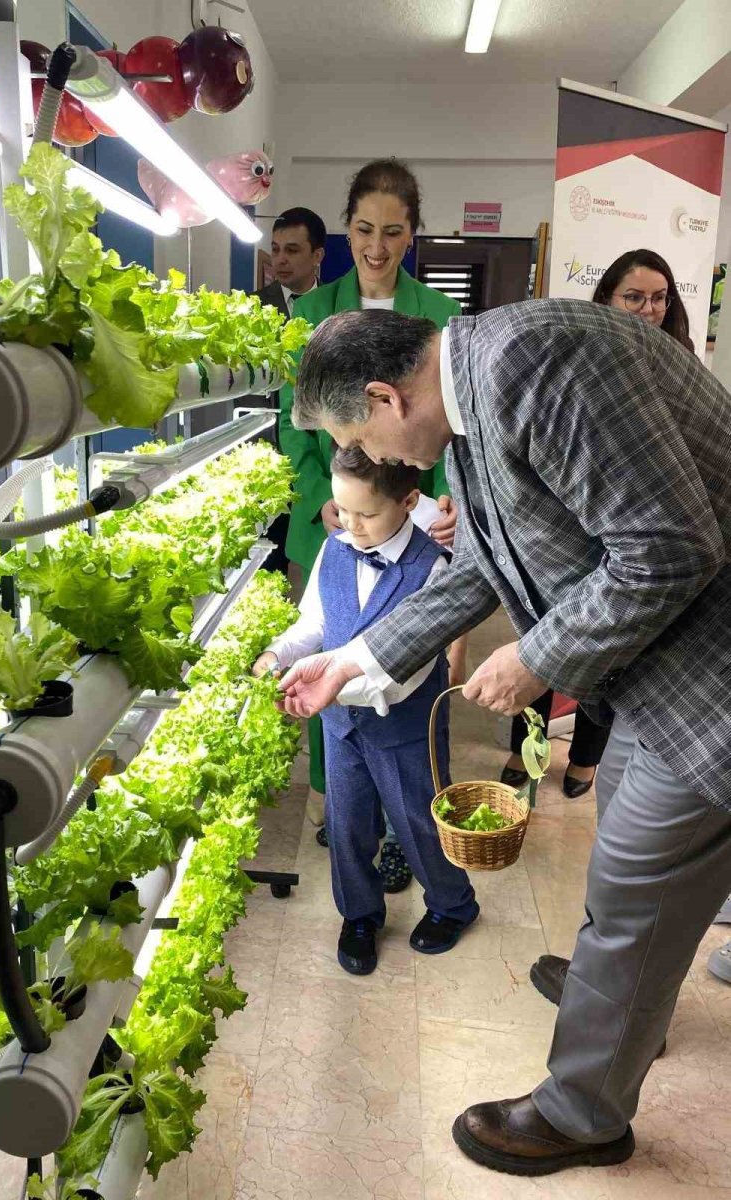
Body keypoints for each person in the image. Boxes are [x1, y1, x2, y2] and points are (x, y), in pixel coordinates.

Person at [276, 301, 731, 1177]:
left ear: (382, 396)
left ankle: (584, 1112)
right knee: (630, 887)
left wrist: (538, 656)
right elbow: (486, 567)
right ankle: (624, 997)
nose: (372, 462)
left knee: (639, 882)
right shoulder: (476, 390)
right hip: (660, 668)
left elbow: (669, 549)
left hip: (707, 677)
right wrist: (357, 658)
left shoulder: (536, 366)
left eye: (358, 439)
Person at [279, 158, 464, 857]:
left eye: (392, 231)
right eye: (363, 229)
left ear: (412, 234)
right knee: (329, 651)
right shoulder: (309, 313)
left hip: (416, 517)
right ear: (345, 231)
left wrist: (450, 504)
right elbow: (289, 424)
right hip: (334, 517)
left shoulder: (440, 316)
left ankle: (408, 808)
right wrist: (324, 503)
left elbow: (452, 433)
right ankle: (339, 800)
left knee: (415, 666)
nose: (377, 246)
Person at [253, 446, 478, 975]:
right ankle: (358, 914)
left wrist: (331, 686)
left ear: (409, 501)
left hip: (402, 725)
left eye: (368, 514)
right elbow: (313, 623)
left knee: (419, 822)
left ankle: (453, 904)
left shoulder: (432, 566)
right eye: (343, 510)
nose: (352, 525)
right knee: (347, 823)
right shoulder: (335, 551)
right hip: (339, 726)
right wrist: (278, 653)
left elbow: (411, 672)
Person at [501, 247, 694, 798]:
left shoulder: (677, 361)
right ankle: (525, 751)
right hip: (568, 532)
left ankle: (585, 758)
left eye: (659, 298)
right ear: (606, 298)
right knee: (540, 639)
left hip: (636, 538)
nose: (648, 309)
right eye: (634, 296)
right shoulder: (580, 358)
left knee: (606, 657)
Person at [252, 207, 327, 576]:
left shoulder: (335, 307)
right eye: (276, 248)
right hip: (267, 452)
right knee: (269, 558)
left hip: (320, 453)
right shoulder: (251, 307)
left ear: (317, 255)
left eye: (292, 250)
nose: (280, 260)